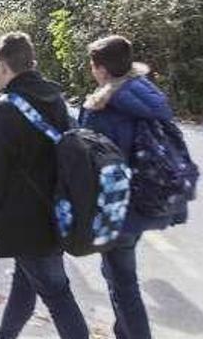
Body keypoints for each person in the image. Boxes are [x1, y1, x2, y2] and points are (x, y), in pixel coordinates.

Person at [0, 32, 89, 339]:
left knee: (57, 294)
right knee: (25, 284)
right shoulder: (56, 99)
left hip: (25, 222)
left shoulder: (3, 110)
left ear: (2, 67)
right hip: (59, 213)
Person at [81, 35, 182, 339]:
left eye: (93, 64)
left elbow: (87, 161)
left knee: (123, 282)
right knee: (118, 273)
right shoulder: (147, 94)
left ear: (100, 69)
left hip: (118, 206)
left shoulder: (101, 107)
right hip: (149, 197)